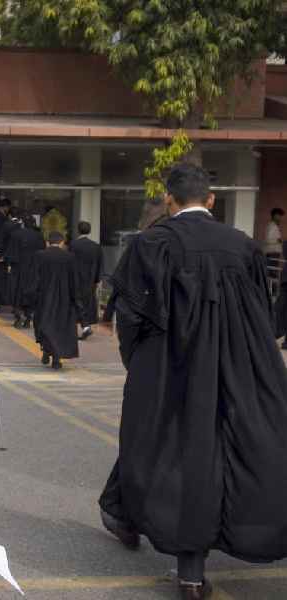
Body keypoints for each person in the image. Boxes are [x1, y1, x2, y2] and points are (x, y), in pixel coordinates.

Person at [97, 163, 287, 600]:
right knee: (226, 449)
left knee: (162, 445)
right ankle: (146, 529)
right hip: (237, 369)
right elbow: (264, 313)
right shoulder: (243, 246)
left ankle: (183, 564)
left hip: (172, 368)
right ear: (212, 200)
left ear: (169, 199)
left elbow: (130, 314)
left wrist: (139, 366)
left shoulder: (152, 244)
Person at [26, 231, 79, 369]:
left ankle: (46, 349)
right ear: (62, 242)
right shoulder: (70, 257)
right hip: (64, 298)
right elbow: (74, 281)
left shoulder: (40, 255)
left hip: (44, 296)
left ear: (48, 242)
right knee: (59, 327)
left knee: (44, 324)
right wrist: (75, 299)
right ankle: (56, 358)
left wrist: (31, 296)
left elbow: (34, 278)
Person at [5, 215, 45, 329]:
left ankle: (18, 316)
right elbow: (42, 251)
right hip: (33, 268)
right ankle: (28, 316)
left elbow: (11, 251)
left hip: (18, 267)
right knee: (31, 291)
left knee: (16, 290)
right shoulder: (38, 236)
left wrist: (9, 264)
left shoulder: (16, 234)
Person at [69, 222, 103, 340]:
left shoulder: (74, 245)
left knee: (77, 301)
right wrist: (97, 279)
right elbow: (99, 263)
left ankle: (85, 326)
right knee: (88, 301)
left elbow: (70, 262)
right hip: (90, 279)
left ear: (78, 230)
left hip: (76, 277)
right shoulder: (96, 246)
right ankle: (86, 325)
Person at [0, 201, 17, 313]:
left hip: (2, 256)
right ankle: (12, 304)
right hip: (15, 258)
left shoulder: (5, 224)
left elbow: (1, 241)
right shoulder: (21, 226)